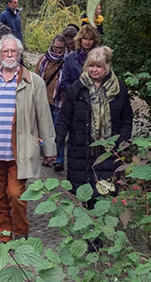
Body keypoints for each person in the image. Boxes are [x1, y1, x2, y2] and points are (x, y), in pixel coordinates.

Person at [0, 35, 57, 242]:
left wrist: (50, 149)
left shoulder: (34, 82)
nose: (9, 55)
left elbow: (44, 116)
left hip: (20, 151)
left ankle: (21, 232)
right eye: (5, 52)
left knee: (16, 195)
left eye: (13, 51)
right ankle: (3, 238)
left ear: (19, 54)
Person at [56, 46, 133, 250]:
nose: (94, 70)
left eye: (99, 66)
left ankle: (97, 237)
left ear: (108, 67)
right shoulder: (77, 88)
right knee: (86, 194)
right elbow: (65, 117)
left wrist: (122, 141)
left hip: (108, 151)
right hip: (81, 150)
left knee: (103, 195)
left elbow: (127, 118)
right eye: (91, 66)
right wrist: (58, 142)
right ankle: (91, 236)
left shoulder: (119, 89)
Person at [57, 23, 102, 100]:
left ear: (94, 41)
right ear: (80, 39)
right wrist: (77, 91)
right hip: (76, 100)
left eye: (90, 39)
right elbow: (64, 82)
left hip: (96, 99)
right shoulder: (70, 58)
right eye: (85, 38)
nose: (87, 42)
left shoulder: (101, 57)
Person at [36, 33, 69, 127]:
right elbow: (36, 77)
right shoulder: (44, 60)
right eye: (56, 47)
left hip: (59, 100)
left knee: (56, 128)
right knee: (44, 127)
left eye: (61, 48)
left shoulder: (68, 60)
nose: (58, 50)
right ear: (52, 45)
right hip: (44, 99)